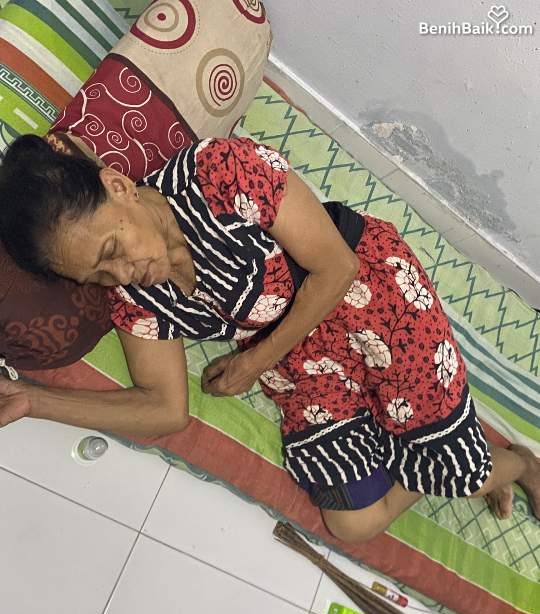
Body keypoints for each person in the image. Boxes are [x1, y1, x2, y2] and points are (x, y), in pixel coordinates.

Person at [0, 133, 538, 543]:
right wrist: (33, 402)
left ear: (118, 186)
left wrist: (254, 362)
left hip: (370, 295)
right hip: (302, 358)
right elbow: (164, 409)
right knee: (352, 523)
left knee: (467, 473)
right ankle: (427, 442)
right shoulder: (134, 300)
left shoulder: (220, 171)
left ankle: (519, 464)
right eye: (96, 276)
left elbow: (337, 267)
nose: (121, 274)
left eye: (112, 250)